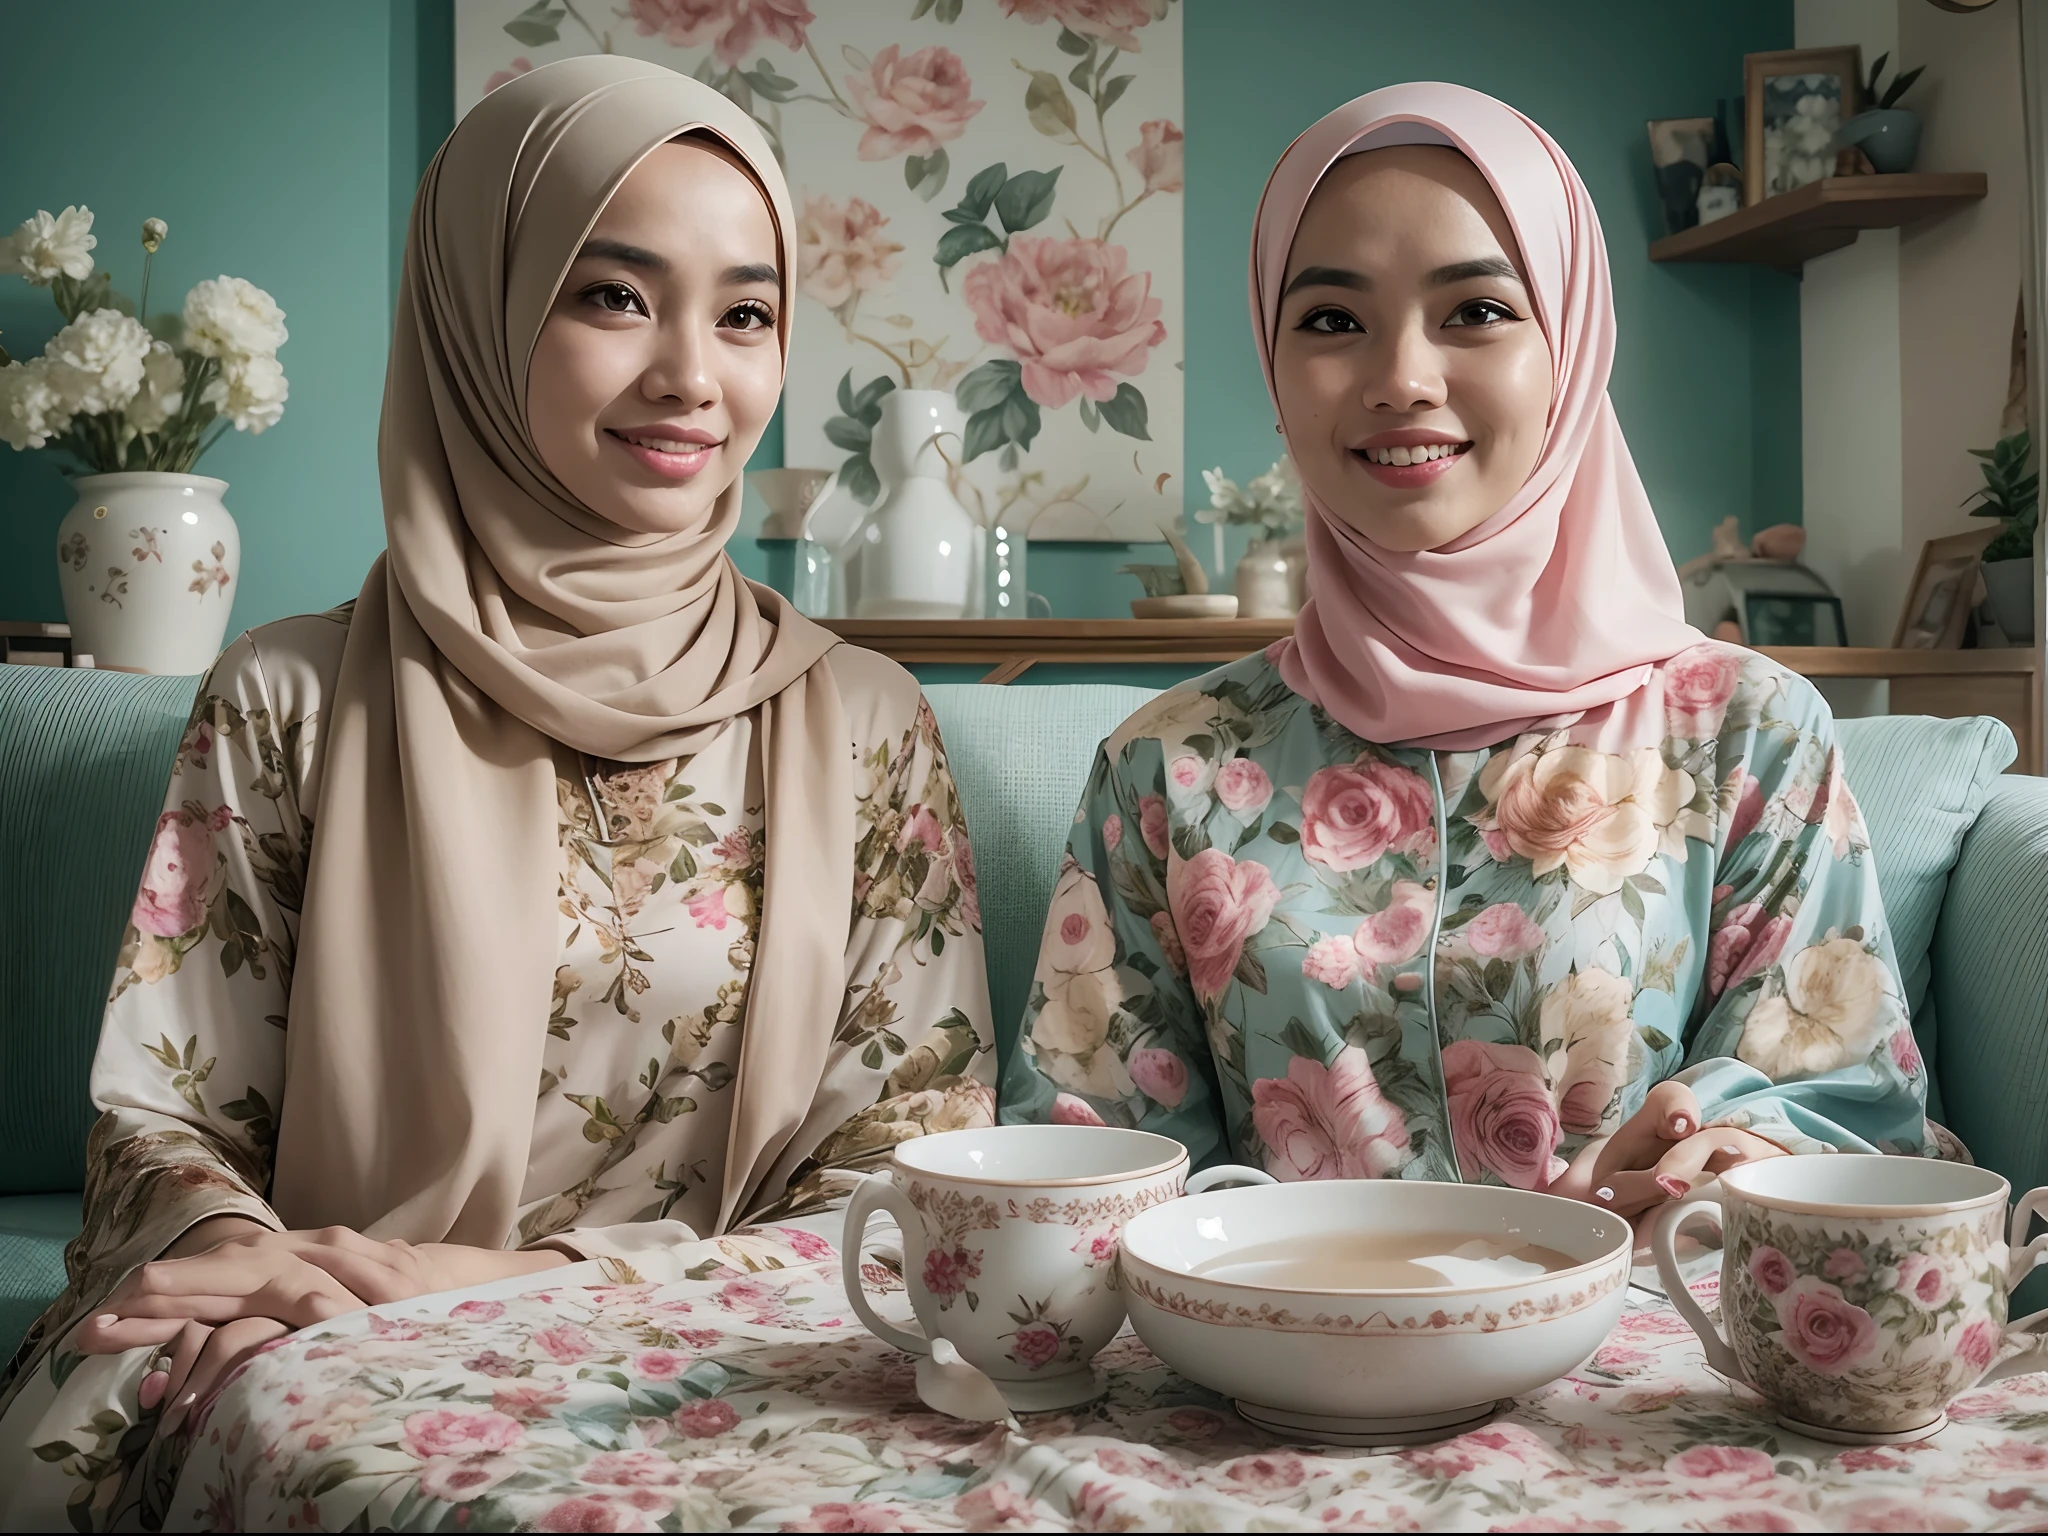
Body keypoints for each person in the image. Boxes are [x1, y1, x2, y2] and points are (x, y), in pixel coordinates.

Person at [0, 57, 991, 1527]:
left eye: (746, 312)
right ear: (477, 308)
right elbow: (167, 1117)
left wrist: (510, 1286)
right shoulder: (293, 698)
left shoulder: (860, 723)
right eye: (613, 296)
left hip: (736, 1350)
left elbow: (911, 1164)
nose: (691, 377)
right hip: (315, 1330)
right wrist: (266, 1272)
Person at [1001, 84, 1938, 1226]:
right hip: (1266, 1378)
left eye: (1477, 310)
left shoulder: (1743, 735)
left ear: (1572, 344)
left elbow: (1844, 1111)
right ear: (1273, 366)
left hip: (1645, 1366)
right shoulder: (1165, 769)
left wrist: (1717, 1157)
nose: (1400, 375)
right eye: (1332, 321)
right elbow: (1077, 1160)